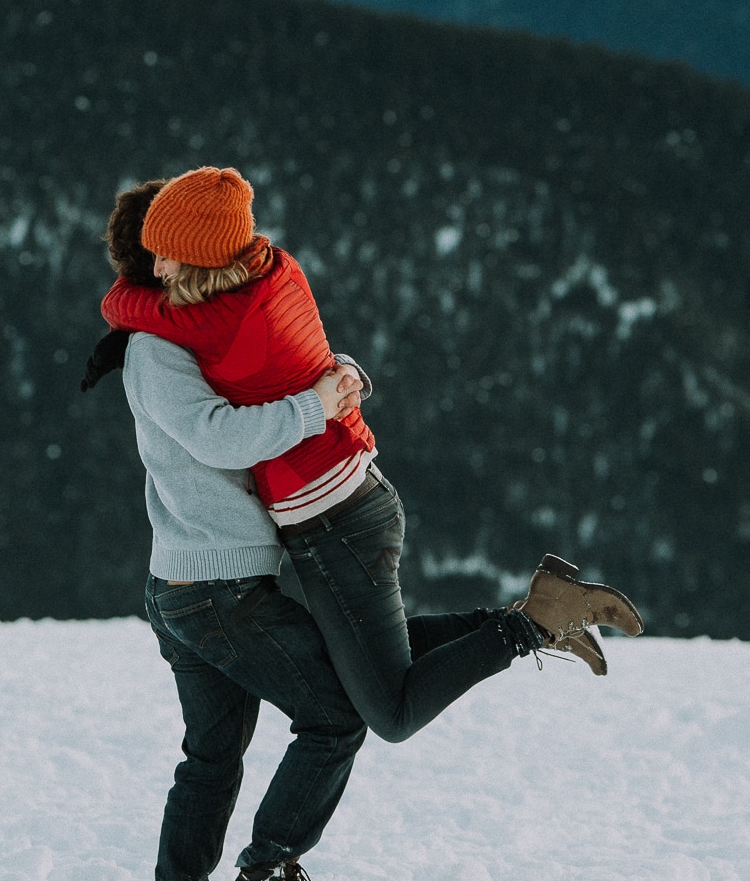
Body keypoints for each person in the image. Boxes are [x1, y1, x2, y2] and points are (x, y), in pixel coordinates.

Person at [102, 167, 644, 757]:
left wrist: (318, 398)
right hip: (342, 505)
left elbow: (151, 326)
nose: (154, 273)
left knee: (390, 711)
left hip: (337, 519)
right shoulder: (273, 273)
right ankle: (535, 613)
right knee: (372, 664)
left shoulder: (224, 317)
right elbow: (294, 357)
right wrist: (339, 378)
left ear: (204, 259)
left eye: (166, 257)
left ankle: (531, 624)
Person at [95, 180, 371, 881]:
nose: (166, 274)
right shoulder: (156, 351)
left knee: (212, 753)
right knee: (336, 716)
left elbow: (263, 370)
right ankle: (266, 870)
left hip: (187, 583)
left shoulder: (180, 335)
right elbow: (221, 433)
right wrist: (318, 406)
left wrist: (328, 375)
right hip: (217, 590)